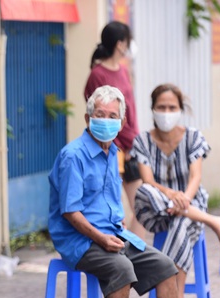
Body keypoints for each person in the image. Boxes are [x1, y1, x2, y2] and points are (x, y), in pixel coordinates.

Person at [48, 85, 215, 298]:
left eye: (112, 115)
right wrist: (101, 239)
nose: (106, 120)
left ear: (122, 122)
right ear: (88, 119)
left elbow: (112, 200)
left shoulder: (113, 152)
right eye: (100, 114)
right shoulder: (73, 155)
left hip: (112, 234)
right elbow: (71, 213)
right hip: (78, 239)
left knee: (164, 265)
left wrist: (115, 225)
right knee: (121, 266)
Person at [132, 84, 220, 298]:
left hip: (189, 202)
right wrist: (170, 195)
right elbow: (148, 181)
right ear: (153, 109)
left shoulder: (193, 137)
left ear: (180, 109)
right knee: (144, 191)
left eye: (171, 107)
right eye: (161, 107)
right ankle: (211, 220)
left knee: (179, 223)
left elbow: (196, 176)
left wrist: (183, 199)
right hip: (155, 207)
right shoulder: (142, 141)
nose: (166, 112)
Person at [84, 21, 145, 238]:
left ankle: (134, 254)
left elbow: (130, 110)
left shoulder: (123, 70)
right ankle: (121, 257)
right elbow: (100, 116)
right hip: (111, 149)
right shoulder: (98, 74)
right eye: (127, 40)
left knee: (144, 208)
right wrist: (121, 144)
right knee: (113, 209)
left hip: (130, 147)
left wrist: (133, 143)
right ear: (120, 43)